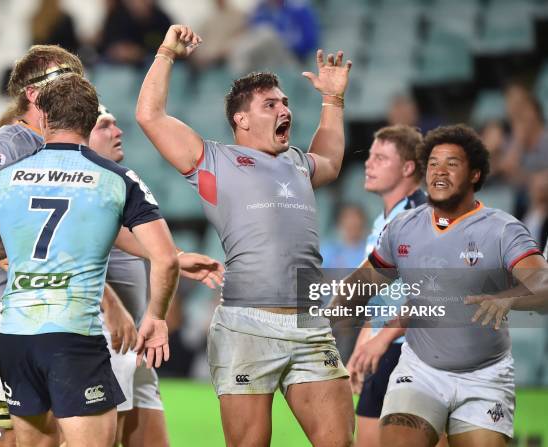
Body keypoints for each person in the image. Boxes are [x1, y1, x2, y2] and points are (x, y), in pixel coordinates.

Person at [137, 24, 355, 447]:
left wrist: (332, 99)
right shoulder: (214, 160)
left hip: (310, 325)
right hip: (246, 327)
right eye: (270, 103)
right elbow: (150, 116)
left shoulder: (297, 162)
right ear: (241, 118)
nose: (283, 109)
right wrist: (166, 51)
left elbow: (329, 158)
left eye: (286, 102)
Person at [0, 73, 179, 447]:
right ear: (91, 119)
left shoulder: (4, 179)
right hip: (74, 334)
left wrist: (20, 249)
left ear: (43, 118)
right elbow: (166, 258)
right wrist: (156, 317)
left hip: (16, 336)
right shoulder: (117, 179)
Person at [328, 124, 547, 447]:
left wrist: (508, 298)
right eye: (432, 164)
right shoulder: (403, 227)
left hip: (484, 376)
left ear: (475, 174)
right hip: (420, 372)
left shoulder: (502, 229)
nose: (439, 172)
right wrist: (323, 328)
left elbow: (543, 286)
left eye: (451, 164)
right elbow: (361, 285)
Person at [0, 45, 84, 447]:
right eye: (63, 76)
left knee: (49, 432)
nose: (75, 84)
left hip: (39, 306)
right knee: (8, 433)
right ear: (32, 93)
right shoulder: (10, 142)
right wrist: (22, 262)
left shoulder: (62, 146)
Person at [89, 105, 224, 446]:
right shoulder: (84, 184)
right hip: (102, 336)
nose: (118, 132)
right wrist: (113, 305)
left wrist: (176, 257)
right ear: (82, 132)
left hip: (131, 337)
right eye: (105, 126)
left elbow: (119, 234)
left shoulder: (113, 181)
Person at [345, 125, 426, 447]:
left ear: (408, 168)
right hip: (384, 348)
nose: (368, 164)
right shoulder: (383, 222)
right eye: (369, 157)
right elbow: (383, 295)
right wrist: (362, 346)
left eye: (381, 158)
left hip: (414, 350)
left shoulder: (419, 218)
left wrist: (383, 338)